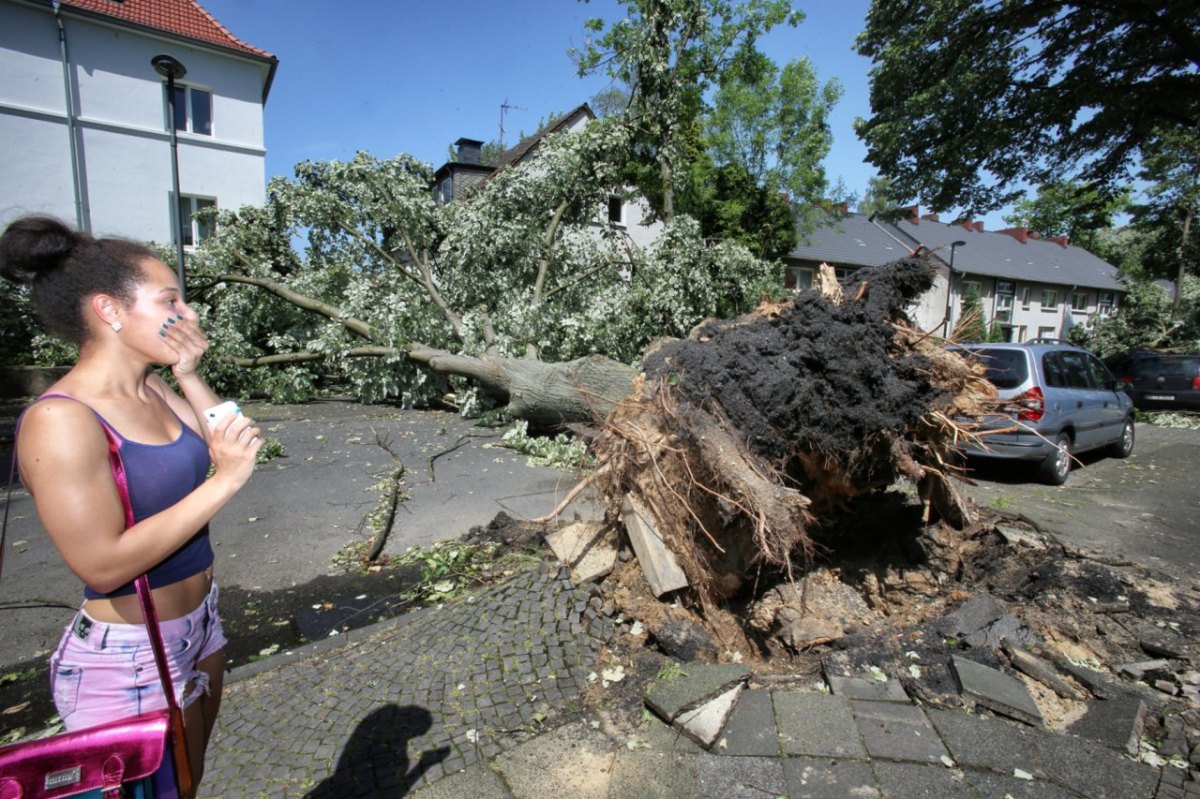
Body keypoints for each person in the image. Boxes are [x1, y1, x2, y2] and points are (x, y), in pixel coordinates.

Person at [0, 216, 262, 797]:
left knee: (186, 788)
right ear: (110, 310)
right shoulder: (60, 419)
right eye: (170, 300)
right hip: (129, 656)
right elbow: (102, 565)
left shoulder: (154, 389)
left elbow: (235, 437)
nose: (188, 315)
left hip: (200, 627)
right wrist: (223, 483)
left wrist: (189, 374)